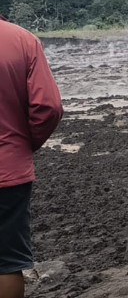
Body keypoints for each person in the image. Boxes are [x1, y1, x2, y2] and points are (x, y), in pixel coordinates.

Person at [0, 17, 63, 298]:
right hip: (8, 170)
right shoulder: (23, 40)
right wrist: (24, 144)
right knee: (7, 264)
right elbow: (48, 107)